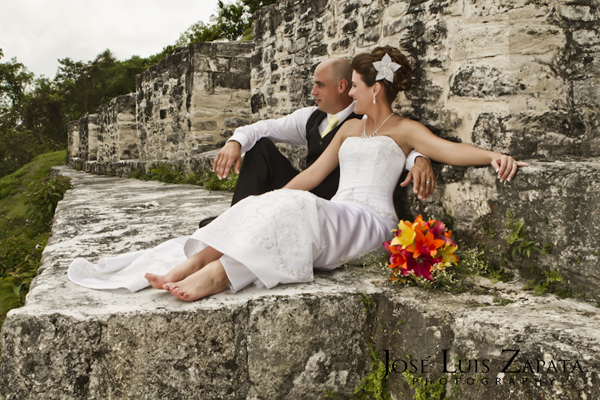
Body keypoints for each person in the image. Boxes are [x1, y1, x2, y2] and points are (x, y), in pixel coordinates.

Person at [67, 46, 527, 301]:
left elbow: (449, 149)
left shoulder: (405, 130)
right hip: (335, 207)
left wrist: (493, 156)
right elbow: (309, 177)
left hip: (371, 221)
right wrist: (266, 200)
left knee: (299, 207)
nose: (354, 94)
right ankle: (192, 263)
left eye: (360, 87)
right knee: (283, 200)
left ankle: (218, 275)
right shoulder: (349, 128)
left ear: (374, 88)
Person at [198, 57, 435, 227]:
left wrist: (419, 158)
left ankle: (250, 220)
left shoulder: (365, 119)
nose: (313, 91)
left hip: (336, 207)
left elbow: (392, 143)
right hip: (303, 188)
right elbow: (264, 127)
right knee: (260, 146)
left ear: (342, 86)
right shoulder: (309, 116)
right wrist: (235, 142)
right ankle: (235, 218)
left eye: (319, 85)